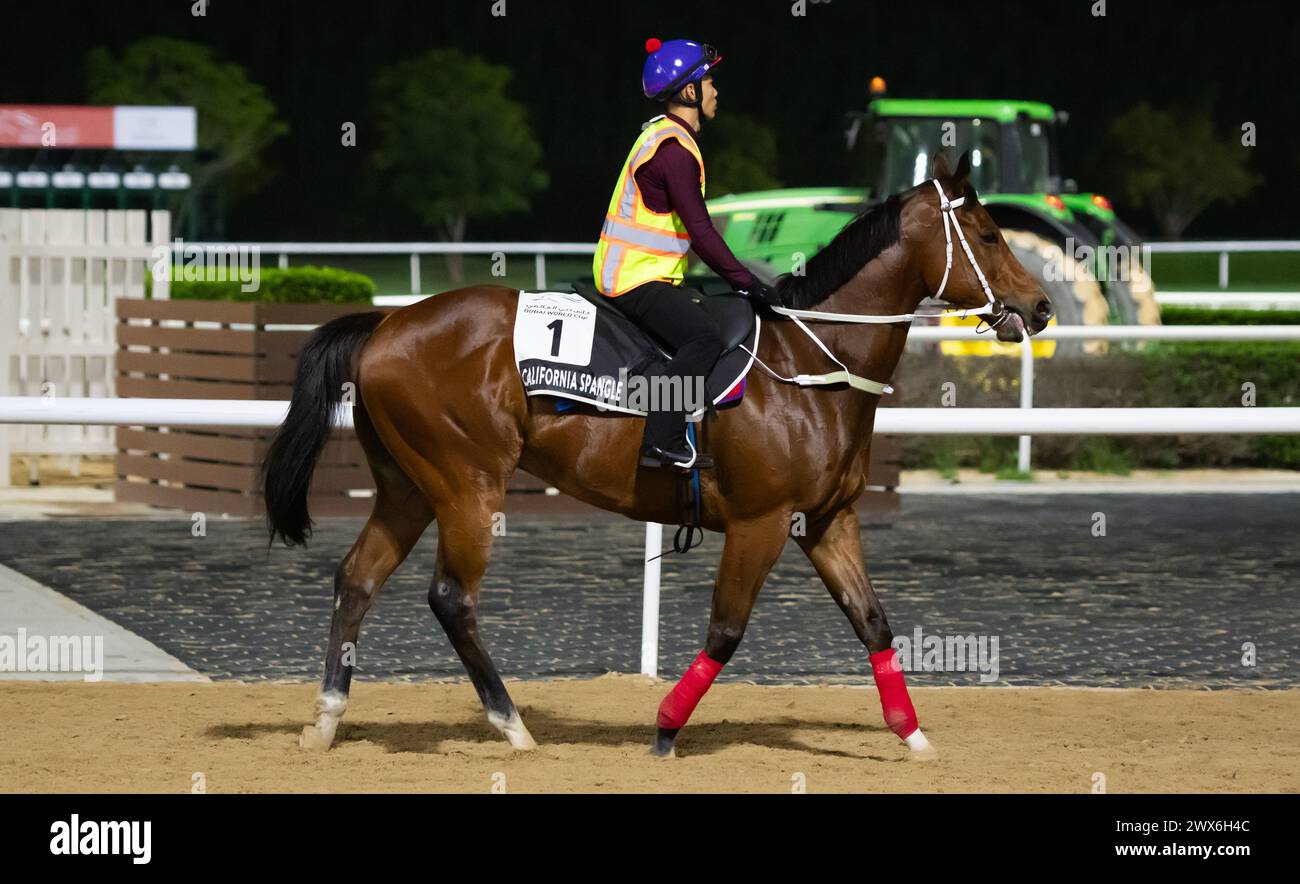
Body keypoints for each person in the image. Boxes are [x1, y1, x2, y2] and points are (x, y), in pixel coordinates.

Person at [592, 38, 781, 471]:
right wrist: (750, 283)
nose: (716, 91)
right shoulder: (674, 152)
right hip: (633, 280)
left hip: (637, 274)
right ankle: (661, 439)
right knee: (703, 339)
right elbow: (702, 233)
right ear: (690, 92)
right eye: (710, 81)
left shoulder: (665, 137)